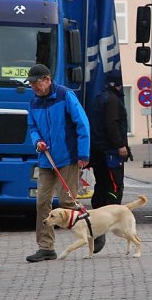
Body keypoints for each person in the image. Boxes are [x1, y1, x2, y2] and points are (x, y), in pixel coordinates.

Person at [25, 64, 91, 262]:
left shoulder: (65, 96)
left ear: (47, 79)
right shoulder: (34, 102)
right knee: (42, 202)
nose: (34, 87)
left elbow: (82, 123)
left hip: (68, 158)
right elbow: (32, 126)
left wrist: (83, 154)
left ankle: (92, 229)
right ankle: (46, 247)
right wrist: (37, 141)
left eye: (36, 83)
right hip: (46, 159)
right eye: (31, 84)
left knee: (67, 202)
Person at [88, 68, 131, 254]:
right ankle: (110, 217)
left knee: (101, 184)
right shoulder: (113, 101)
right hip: (111, 152)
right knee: (114, 187)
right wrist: (120, 144)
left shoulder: (98, 98)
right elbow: (112, 124)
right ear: (117, 84)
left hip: (97, 151)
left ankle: (96, 214)